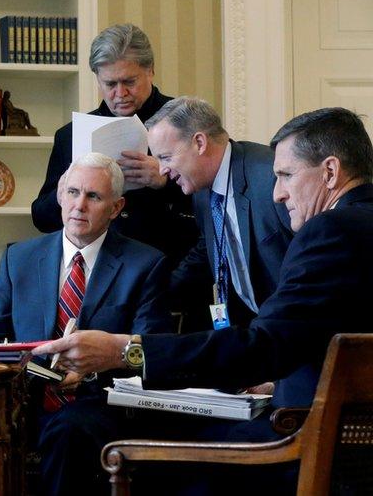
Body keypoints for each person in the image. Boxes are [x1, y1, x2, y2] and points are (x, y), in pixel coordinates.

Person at [35, 107, 373, 493]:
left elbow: (265, 343)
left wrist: (126, 350)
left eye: (285, 176)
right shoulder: (351, 222)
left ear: (329, 172)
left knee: (159, 469)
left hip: (310, 437)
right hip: (322, 418)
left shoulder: (328, 230)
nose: (277, 192)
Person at [0, 153, 174, 495]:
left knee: (67, 431)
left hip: (101, 405)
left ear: (115, 206)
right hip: (25, 401)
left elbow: (151, 352)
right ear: (60, 196)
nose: (79, 205)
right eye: (73, 192)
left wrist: (93, 369)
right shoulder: (18, 258)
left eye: (93, 196)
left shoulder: (145, 264)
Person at [31, 23, 196, 267]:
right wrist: (64, 193)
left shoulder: (187, 120)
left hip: (171, 271)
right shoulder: (70, 135)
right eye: (110, 84)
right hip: (95, 277)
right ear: (97, 78)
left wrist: (165, 181)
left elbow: (220, 201)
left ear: (150, 70)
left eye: (129, 81)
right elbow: (41, 219)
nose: (120, 93)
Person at [147, 97, 293, 329]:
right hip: (252, 328)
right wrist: (151, 295)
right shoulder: (201, 187)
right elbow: (209, 249)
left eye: (165, 157)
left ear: (199, 143)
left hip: (298, 330)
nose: (162, 169)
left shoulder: (270, 177)